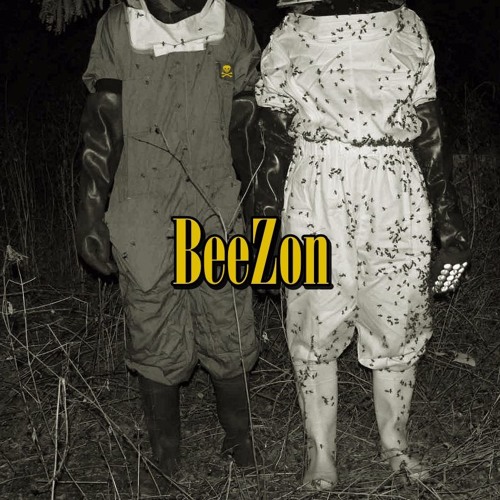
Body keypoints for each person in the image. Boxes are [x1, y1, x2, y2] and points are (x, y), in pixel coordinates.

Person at [255, 0, 470, 490]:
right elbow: (270, 137)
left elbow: (429, 125)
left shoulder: (407, 25)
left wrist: (448, 220)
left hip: (394, 184)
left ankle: (396, 445)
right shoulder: (291, 31)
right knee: (313, 319)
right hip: (316, 184)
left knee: (398, 315)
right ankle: (321, 454)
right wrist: (264, 228)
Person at [76, 0, 262, 479]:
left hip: (215, 196)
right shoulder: (120, 26)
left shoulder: (231, 24)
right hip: (142, 198)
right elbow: (103, 122)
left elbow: (248, 122)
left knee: (227, 318)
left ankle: (241, 444)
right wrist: (91, 212)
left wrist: (264, 207)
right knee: (151, 319)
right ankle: (167, 458)